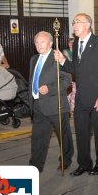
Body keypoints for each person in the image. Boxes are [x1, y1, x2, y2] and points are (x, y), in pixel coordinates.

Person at [54, 13, 98, 176]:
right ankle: (84, 164)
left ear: (87, 25)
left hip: (97, 97)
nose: (74, 25)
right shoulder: (78, 42)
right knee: (81, 133)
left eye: (77, 22)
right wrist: (62, 61)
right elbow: (76, 70)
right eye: (73, 22)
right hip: (81, 98)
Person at [28, 31, 74, 172]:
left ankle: (65, 159)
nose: (39, 45)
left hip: (55, 104)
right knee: (38, 137)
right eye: (36, 42)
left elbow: (66, 80)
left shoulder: (57, 57)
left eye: (42, 42)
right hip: (38, 105)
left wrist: (50, 88)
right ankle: (35, 165)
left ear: (50, 43)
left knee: (63, 134)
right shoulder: (34, 59)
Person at [63, 38, 76, 118]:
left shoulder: (77, 53)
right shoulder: (65, 51)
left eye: (72, 43)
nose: (71, 44)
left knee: (74, 94)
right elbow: (69, 61)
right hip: (68, 76)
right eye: (70, 43)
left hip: (75, 77)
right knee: (68, 94)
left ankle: (72, 110)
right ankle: (68, 111)